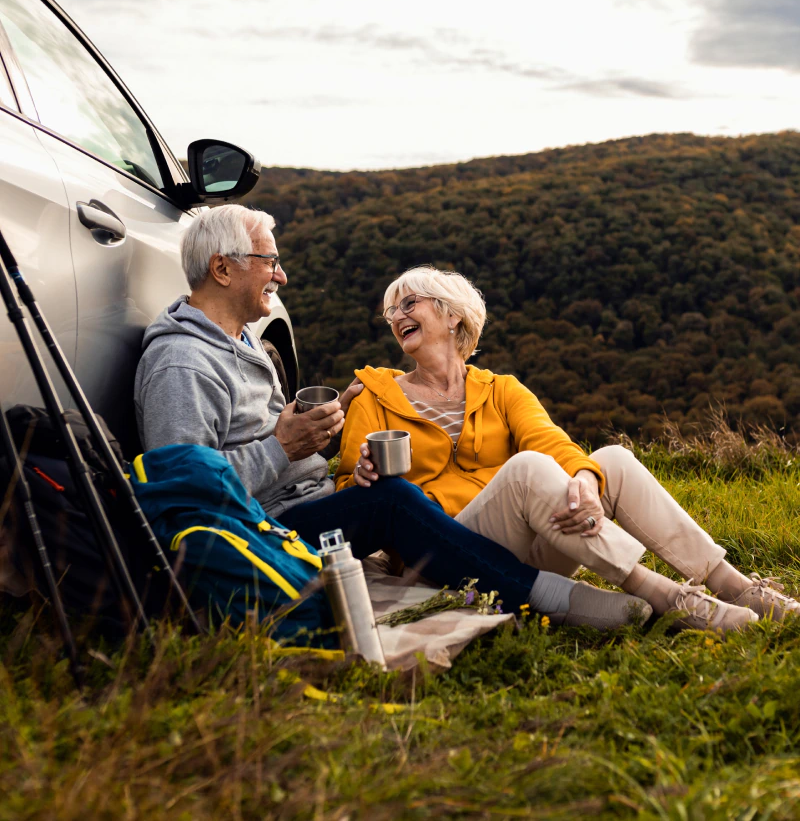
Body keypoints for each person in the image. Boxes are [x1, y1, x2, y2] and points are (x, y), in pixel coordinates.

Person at [134, 205, 650, 631]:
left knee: (392, 499)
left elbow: (270, 447)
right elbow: (186, 499)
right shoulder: (183, 364)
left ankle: (606, 587)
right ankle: (551, 600)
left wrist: (320, 435)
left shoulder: (243, 341)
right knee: (394, 501)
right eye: (269, 260)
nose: (282, 275)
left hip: (303, 506)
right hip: (262, 530)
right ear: (223, 270)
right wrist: (282, 448)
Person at [336, 265, 800, 633]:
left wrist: (585, 480)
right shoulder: (373, 395)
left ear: (452, 315)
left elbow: (551, 440)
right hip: (438, 554)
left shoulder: (499, 390)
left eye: (408, 303)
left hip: (523, 549)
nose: (396, 317)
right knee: (527, 471)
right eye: (390, 311)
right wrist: (359, 478)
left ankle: (735, 586)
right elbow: (350, 492)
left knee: (610, 460)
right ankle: (671, 599)